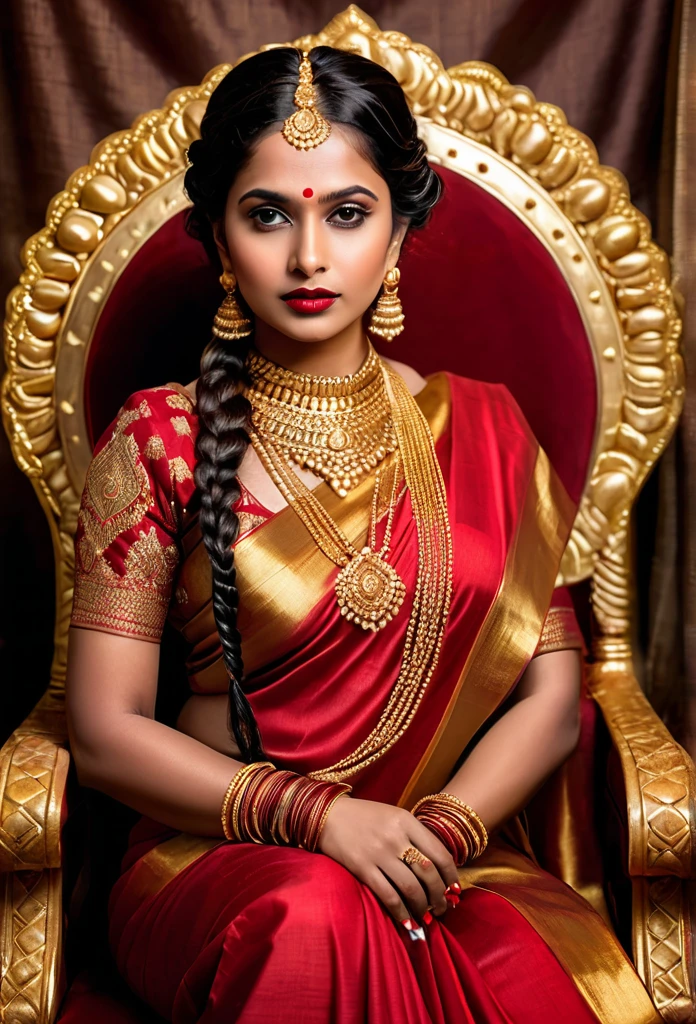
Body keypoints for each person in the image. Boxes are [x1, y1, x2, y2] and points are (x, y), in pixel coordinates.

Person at [64, 44, 660, 1024]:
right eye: (268, 215)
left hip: (437, 852)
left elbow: (553, 695)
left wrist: (439, 832)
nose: (309, 256)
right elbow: (104, 730)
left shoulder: (489, 430)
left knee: (532, 981)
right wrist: (324, 818)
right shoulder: (162, 438)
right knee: (314, 916)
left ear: (394, 236)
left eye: (347, 213)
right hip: (218, 860)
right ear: (218, 237)